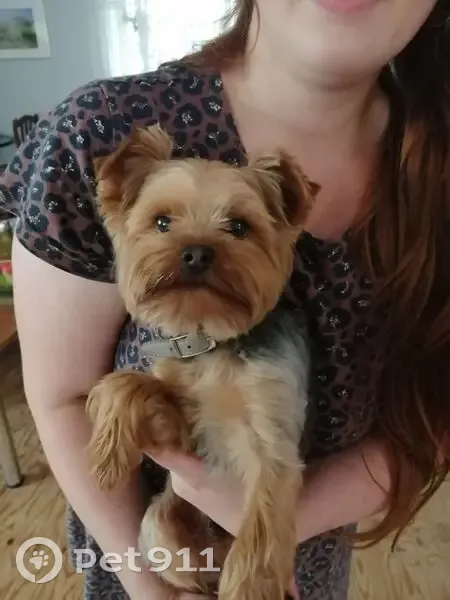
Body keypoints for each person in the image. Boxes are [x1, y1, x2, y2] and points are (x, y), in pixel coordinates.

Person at [1, 0, 448, 598]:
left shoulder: (434, 169)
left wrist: (280, 525)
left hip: (305, 569)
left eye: (237, 228)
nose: (195, 251)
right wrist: (150, 585)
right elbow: (64, 397)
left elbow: (434, 416)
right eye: (164, 223)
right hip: (136, 563)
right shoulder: (98, 128)